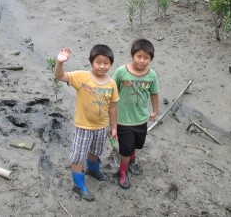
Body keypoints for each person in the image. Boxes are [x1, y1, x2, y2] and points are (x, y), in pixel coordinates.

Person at [54, 45, 119, 201]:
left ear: (111, 64)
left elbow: (113, 107)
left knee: (96, 152)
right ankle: (79, 186)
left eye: (106, 63)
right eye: (98, 62)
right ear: (91, 62)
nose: (102, 66)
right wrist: (60, 62)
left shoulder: (111, 84)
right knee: (78, 157)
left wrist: (114, 127)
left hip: (102, 127)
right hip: (83, 127)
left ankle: (93, 171)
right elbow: (60, 76)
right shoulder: (81, 77)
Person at [113, 38, 160, 189]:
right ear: (132, 55)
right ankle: (122, 172)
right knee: (125, 150)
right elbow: (112, 92)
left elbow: (154, 93)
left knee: (136, 144)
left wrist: (155, 110)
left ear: (151, 59)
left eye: (146, 58)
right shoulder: (121, 72)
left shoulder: (152, 75)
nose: (142, 61)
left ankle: (131, 163)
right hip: (123, 120)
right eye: (139, 56)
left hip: (141, 119)